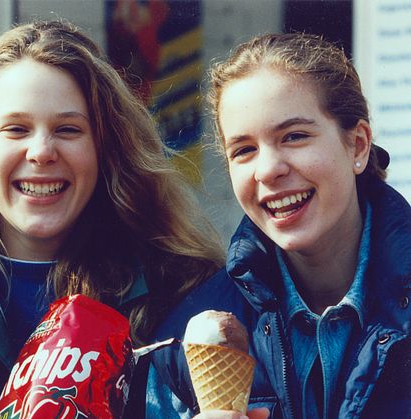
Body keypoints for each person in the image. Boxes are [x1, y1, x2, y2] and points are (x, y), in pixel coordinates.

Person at [0, 20, 224, 411]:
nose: (41, 152)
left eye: (68, 129)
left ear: (103, 146)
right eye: (16, 129)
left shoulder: (178, 289)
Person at [146, 33, 411, 419]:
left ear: (357, 145)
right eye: (245, 150)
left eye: (295, 136)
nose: (268, 170)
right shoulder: (185, 342)